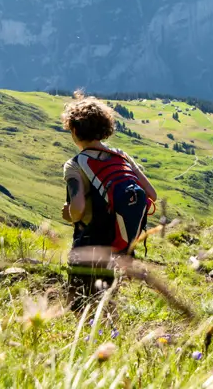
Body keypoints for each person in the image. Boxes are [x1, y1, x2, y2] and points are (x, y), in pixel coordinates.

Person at [60, 92, 157, 309]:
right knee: (104, 299)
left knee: (80, 304)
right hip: (117, 241)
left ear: (74, 130)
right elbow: (151, 193)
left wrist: (69, 213)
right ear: (105, 128)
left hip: (88, 243)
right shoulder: (121, 156)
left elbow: (78, 208)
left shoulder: (74, 165)